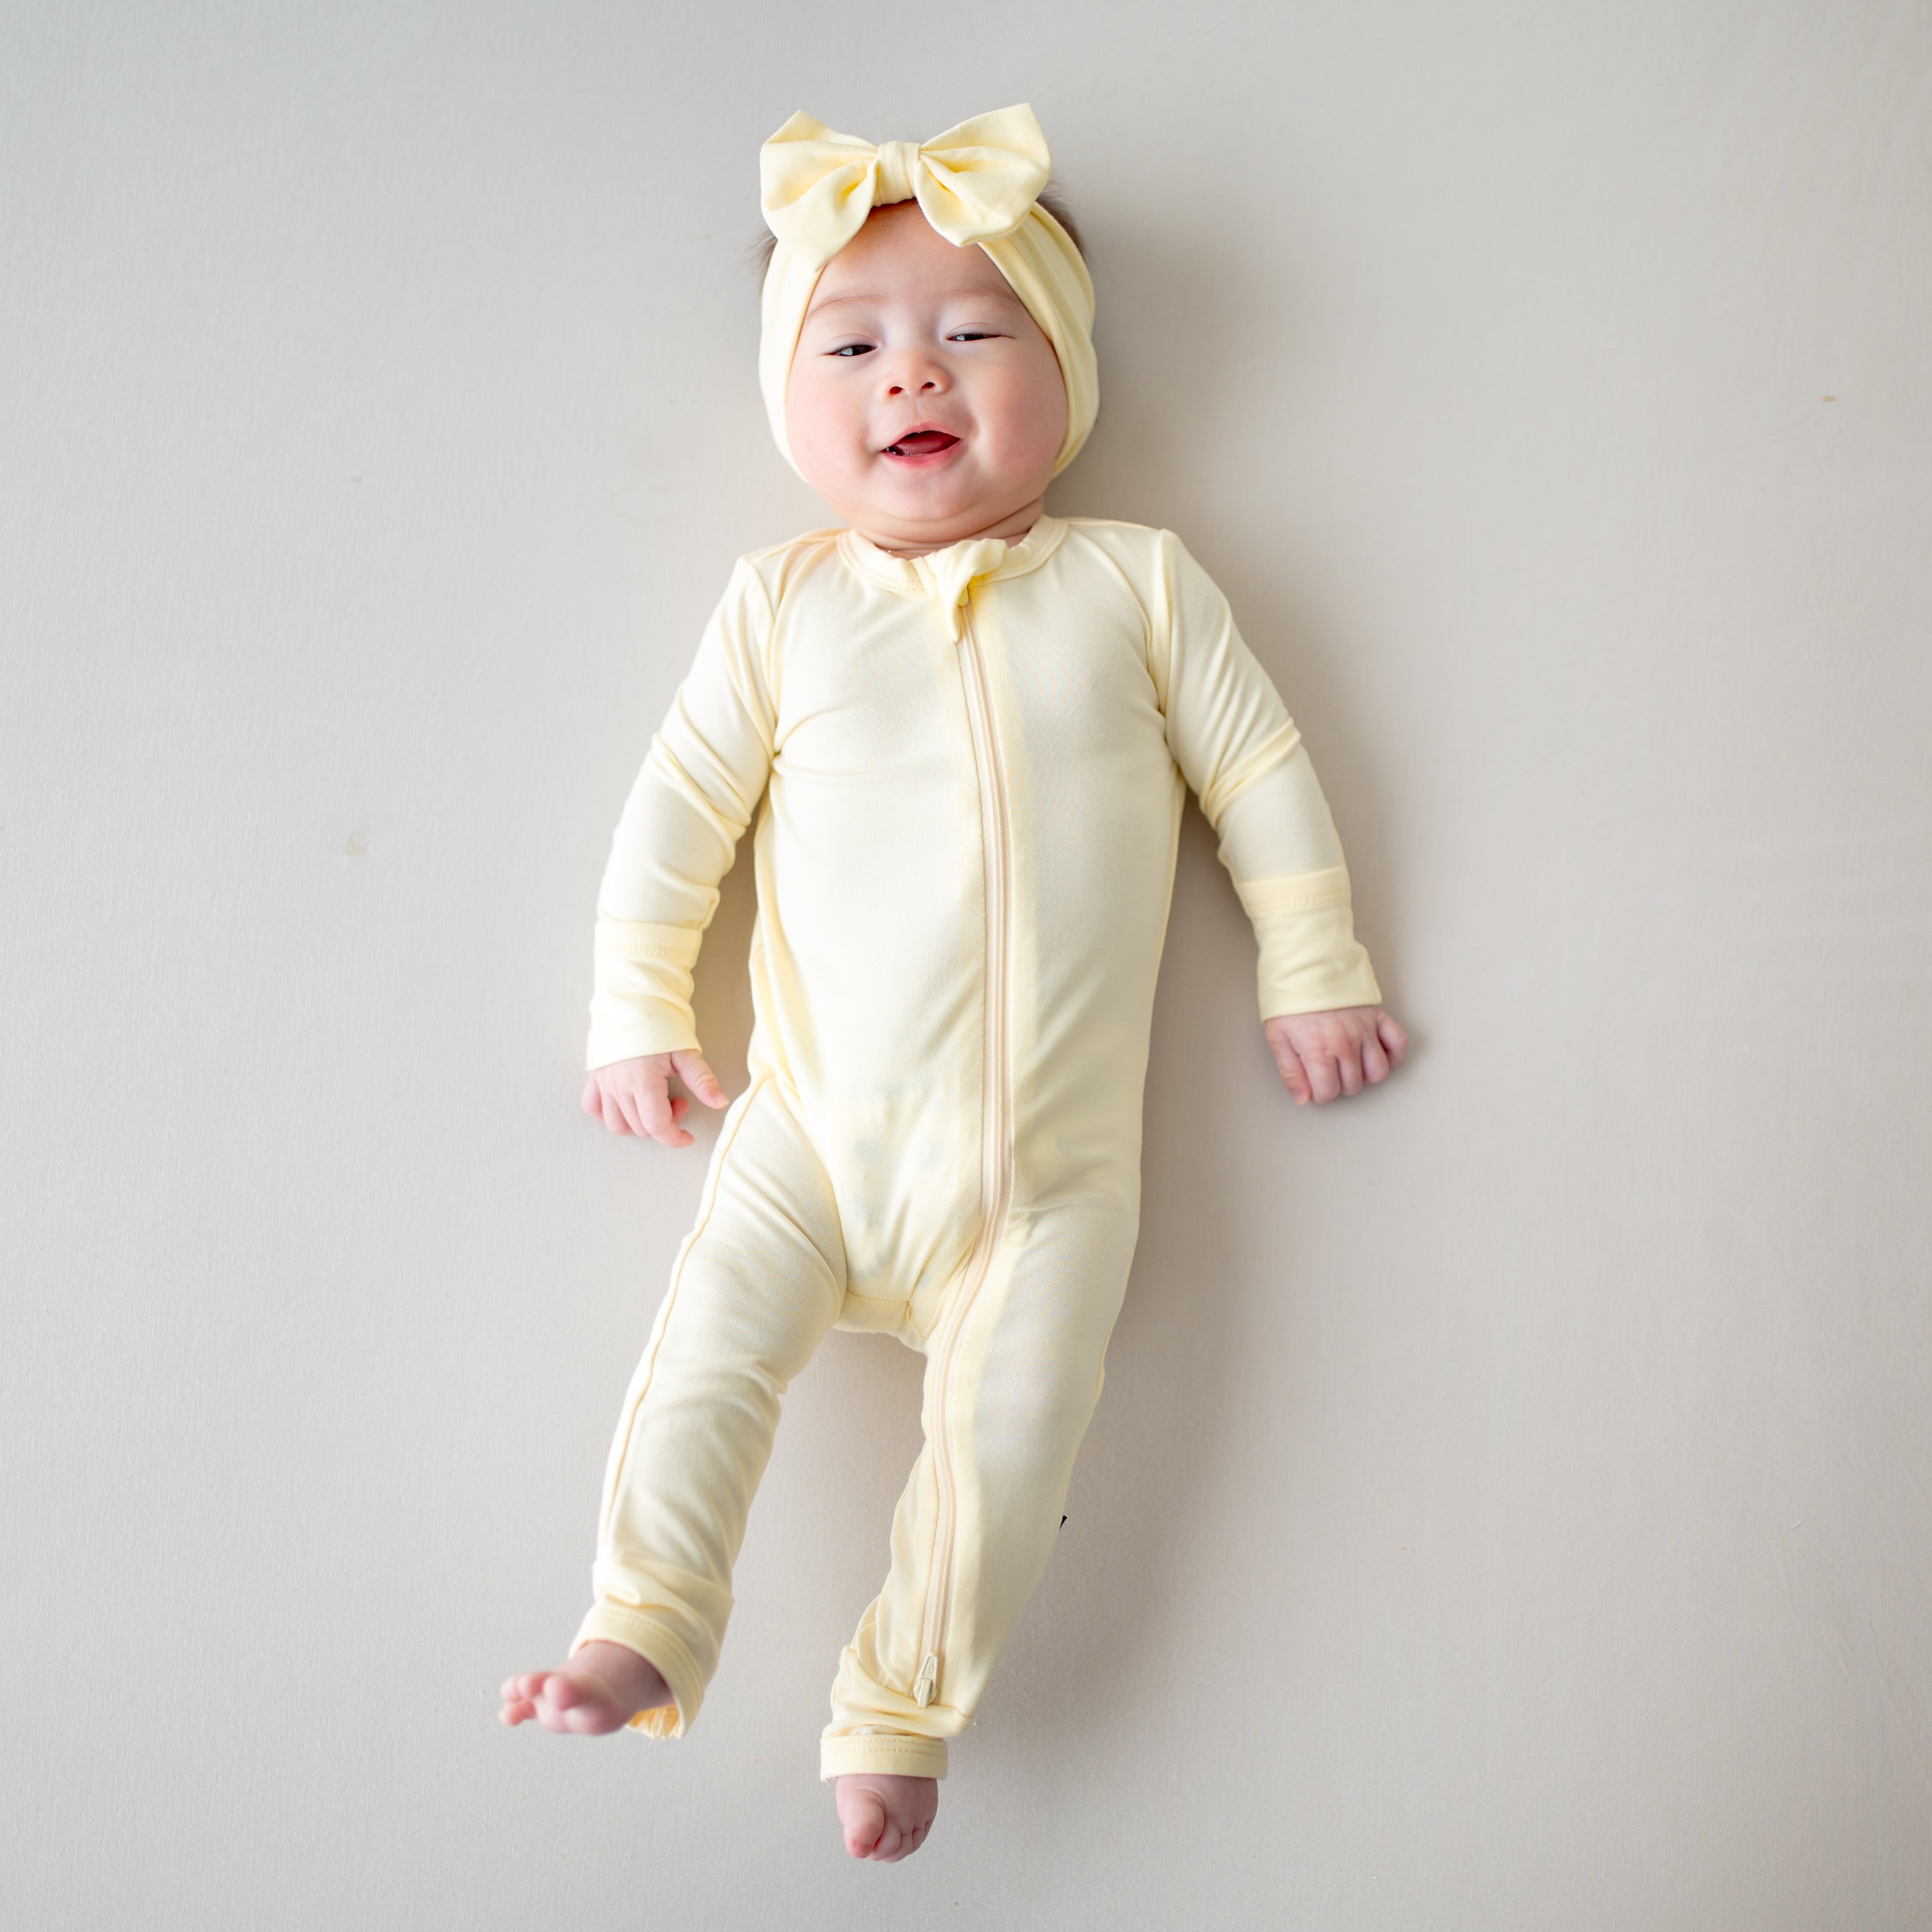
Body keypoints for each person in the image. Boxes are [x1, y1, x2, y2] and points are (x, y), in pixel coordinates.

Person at [500, 105, 1407, 1863]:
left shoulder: (1138, 587)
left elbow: (1261, 775)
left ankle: (900, 1707)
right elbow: (676, 819)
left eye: (975, 331)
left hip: (1050, 1182)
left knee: (1010, 1444)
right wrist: (638, 1012)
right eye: (851, 346)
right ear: (790, 402)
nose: (914, 371)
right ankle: (644, 1624)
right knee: (704, 1366)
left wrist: (1315, 968)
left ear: (1067, 375)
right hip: (811, 1137)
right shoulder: (781, 607)